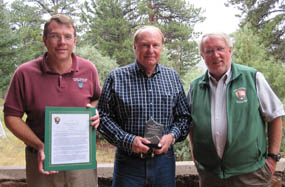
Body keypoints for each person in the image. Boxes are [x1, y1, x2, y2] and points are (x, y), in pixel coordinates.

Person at [3, 14, 101, 187]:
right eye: (55, 36)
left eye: (68, 36)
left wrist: (94, 111)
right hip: (42, 160)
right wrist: (41, 146)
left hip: (81, 160)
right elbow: (11, 117)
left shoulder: (88, 69)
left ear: (74, 41)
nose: (62, 42)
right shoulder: (24, 73)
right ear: (44, 40)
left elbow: (98, 100)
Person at [97, 25, 191, 187]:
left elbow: (184, 117)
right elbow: (103, 118)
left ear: (161, 47)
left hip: (164, 163)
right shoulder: (116, 78)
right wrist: (128, 140)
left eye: (155, 45)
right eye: (145, 45)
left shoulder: (172, 77)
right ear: (135, 47)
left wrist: (172, 136)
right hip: (128, 163)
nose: (150, 50)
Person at [187, 32, 285, 187]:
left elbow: (275, 116)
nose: (215, 55)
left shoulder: (252, 77)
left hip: (251, 174)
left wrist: (272, 158)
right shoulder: (195, 87)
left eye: (220, 48)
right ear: (202, 55)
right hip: (211, 176)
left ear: (230, 50)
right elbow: (191, 126)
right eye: (209, 51)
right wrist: (196, 158)